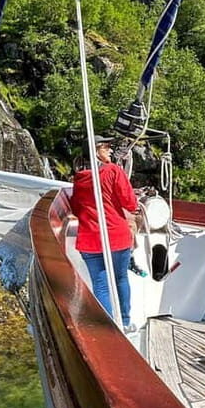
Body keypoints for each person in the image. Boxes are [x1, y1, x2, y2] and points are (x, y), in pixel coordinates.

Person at [70, 135, 139, 332]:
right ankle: (125, 322)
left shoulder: (80, 179)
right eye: (106, 147)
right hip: (116, 237)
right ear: (97, 150)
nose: (110, 150)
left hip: (90, 241)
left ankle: (110, 330)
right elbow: (130, 203)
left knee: (101, 286)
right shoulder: (113, 172)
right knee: (120, 279)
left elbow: (76, 208)